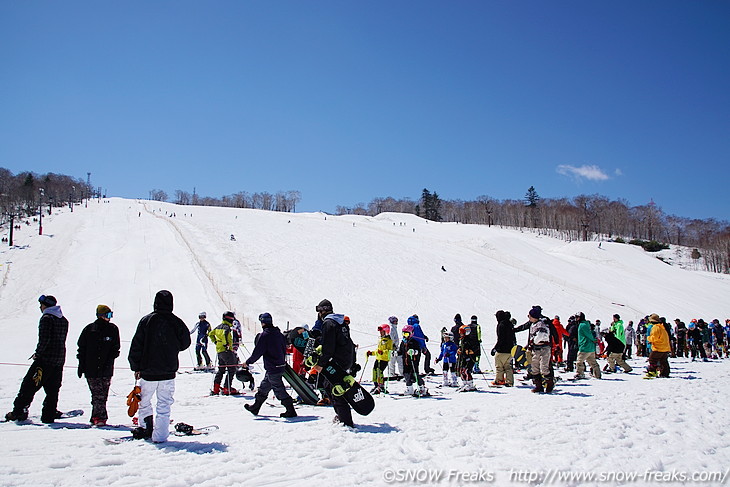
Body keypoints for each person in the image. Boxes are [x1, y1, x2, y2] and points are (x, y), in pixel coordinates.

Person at [128, 290, 190, 442]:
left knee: (143, 401)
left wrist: (135, 366)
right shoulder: (176, 322)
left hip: (147, 371)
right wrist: (172, 347)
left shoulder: (146, 321)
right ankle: (160, 436)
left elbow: (136, 345)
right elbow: (185, 342)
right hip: (168, 372)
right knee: (164, 405)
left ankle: (146, 428)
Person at [5, 295, 69, 423]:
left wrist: (37, 354)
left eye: (41, 305)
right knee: (52, 389)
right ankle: (49, 414)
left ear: (46, 305)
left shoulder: (46, 318)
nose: (40, 307)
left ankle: (19, 411)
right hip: (59, 360)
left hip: (45, 360)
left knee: (28, 386)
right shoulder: (63, 320)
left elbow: (44, 340)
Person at [310, 299, 357, 427]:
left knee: (335, 389)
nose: (318, 313)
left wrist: (320, 364)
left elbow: (328, 347)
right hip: (345, 359)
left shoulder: (329, 323)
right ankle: (342, 416)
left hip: (337, 361)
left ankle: (346, 421)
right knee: (328, 386)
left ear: (322, 310)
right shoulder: (340, 322)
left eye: (319, 310)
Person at [243, 313, 296, 418]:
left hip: (273, 368)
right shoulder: (279, 334)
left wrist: (248, 362)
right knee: (264, 387)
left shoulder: (265, 336)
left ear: (262, 323)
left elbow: (257, 352)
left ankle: (291, 411)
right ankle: (255, 407)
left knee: (279, 390)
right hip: (279, 366)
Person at [77, 304, 120, 426]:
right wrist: (81, 365)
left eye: (111, 315)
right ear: (100, 315)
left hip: (106, 369)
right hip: (91, 368)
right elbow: (82, 348)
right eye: (107, 315)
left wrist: (110, 357)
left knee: (103, 394)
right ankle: (99, 417)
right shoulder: (90, 329)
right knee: (97, 394)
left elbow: (116, 347)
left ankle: (96, 416)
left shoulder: (113, 329)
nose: (109, 318)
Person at [524, 306, 554, 393]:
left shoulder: (541, 324)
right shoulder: (533, 324)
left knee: (544, 367)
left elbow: (541, 336)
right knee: (534, 367)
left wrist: (533, 341)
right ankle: (538, 386)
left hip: (544, 348)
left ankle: (549, 384)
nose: (528, 318)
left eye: (529, 316)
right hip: (535, 349)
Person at [209, 311, 239, 395]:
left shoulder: (218, 327)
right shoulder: (226, 328)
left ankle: (216, 388)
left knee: (221, 370)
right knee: (231, 369)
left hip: (219, 351)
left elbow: (210, 334)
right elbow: (225, 335)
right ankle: (227, 388)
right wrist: (226, 345)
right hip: (227, 350)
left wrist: (215, 342)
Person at [399, 324, 429, 396]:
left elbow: (419, 351)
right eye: (403, 333)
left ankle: (422, 388)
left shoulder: (414, 342)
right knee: (406, 375)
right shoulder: (403, 342)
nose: (404, 336)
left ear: (411, 333)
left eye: (406, 334)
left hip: (413, 361)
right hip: (405, 361)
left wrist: (414, 352)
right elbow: (401, 351)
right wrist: (396, 353)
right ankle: (410, 389)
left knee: (415, 374)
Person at [367, 324, 394, 394]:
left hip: (384, 359)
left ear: (386, 332)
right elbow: (378, 350)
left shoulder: (389, 341)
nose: (380, 333)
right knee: (374, 370)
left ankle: (381, 386)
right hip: (378, 358)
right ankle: (376, 385)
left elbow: (389, 351)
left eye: (382, 332)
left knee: (379, 371)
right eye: (380, 332)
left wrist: (382, 352)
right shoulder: (381, 340)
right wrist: (372, 353)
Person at [491, 310, 515, 387]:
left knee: (499, 367)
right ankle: (509, 382)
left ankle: (499, 380)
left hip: (501, 350)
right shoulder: (510, 325)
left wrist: (495, 348)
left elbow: (500, 339)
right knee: (508, 367)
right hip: (510, 350)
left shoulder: (500, 325)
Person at [575, 312, 601, 380]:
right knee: (593, 362)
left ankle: (580, 374)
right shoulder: (586, 324)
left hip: (585, 346)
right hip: (590, 347)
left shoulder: (582, 325)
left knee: (579, 361)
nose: (576, 319)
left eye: (577, 317)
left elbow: (588, 334)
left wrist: (593, 339)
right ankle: (597, 374)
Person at [456, 322, 479, 392]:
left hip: (470, 357)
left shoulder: (470, 339)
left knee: (467, 371)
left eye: (461, 332)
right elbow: (462, 347)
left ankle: (470, 384)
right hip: (463, 357)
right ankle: (464, 383)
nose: (460, 334)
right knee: (462, 370)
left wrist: (471, 351)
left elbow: (476, 347)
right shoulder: (462, 340)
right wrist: (459, 350)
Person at [645, 313, 671, 378]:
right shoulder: (662, 327)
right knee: (663, 361)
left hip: (658, 347)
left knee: (652, 359)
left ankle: (652, 372)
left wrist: (648, 338)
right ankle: (665, 373)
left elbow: (654, 338)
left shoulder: (655, 328)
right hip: (665, 347)